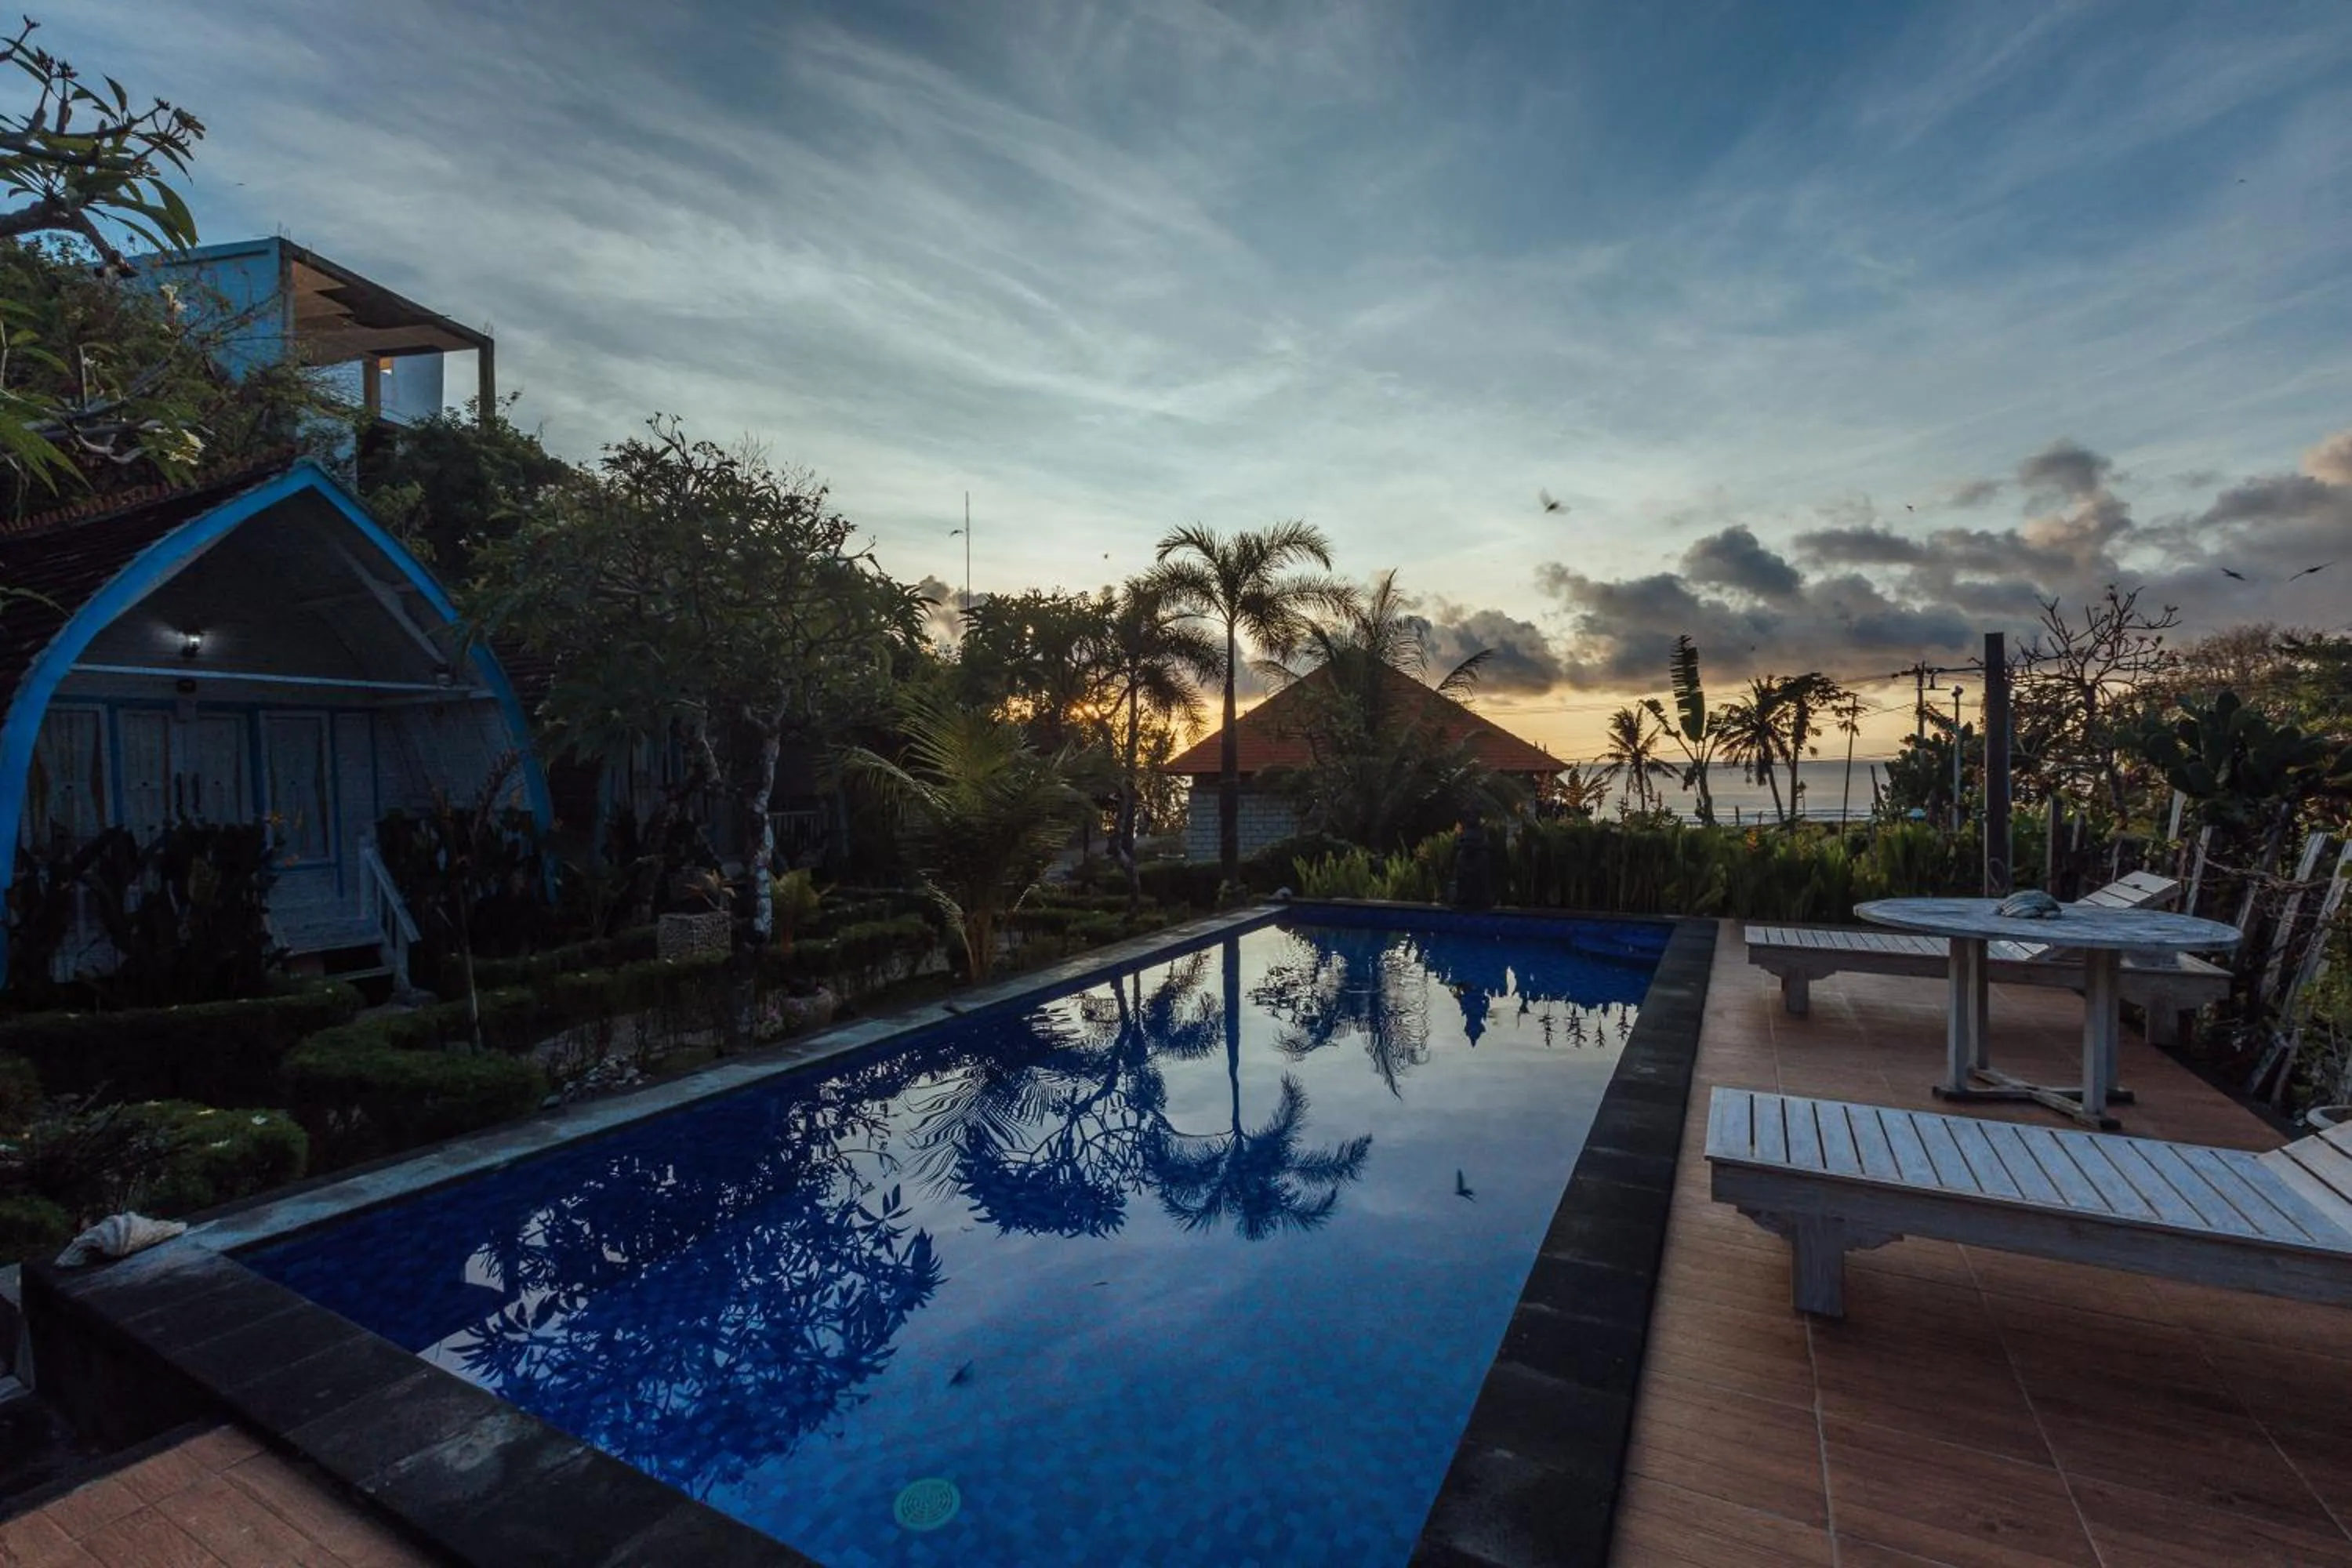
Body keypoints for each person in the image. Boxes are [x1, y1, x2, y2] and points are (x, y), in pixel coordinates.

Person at [1453, 807, 1494, 911]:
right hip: (1468, 861)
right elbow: (1459, 844)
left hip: (1477, 862)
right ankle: (1464, 898)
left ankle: (1475, 899)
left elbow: (1487, 845)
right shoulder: (1467, 833)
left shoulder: (1481, 833)